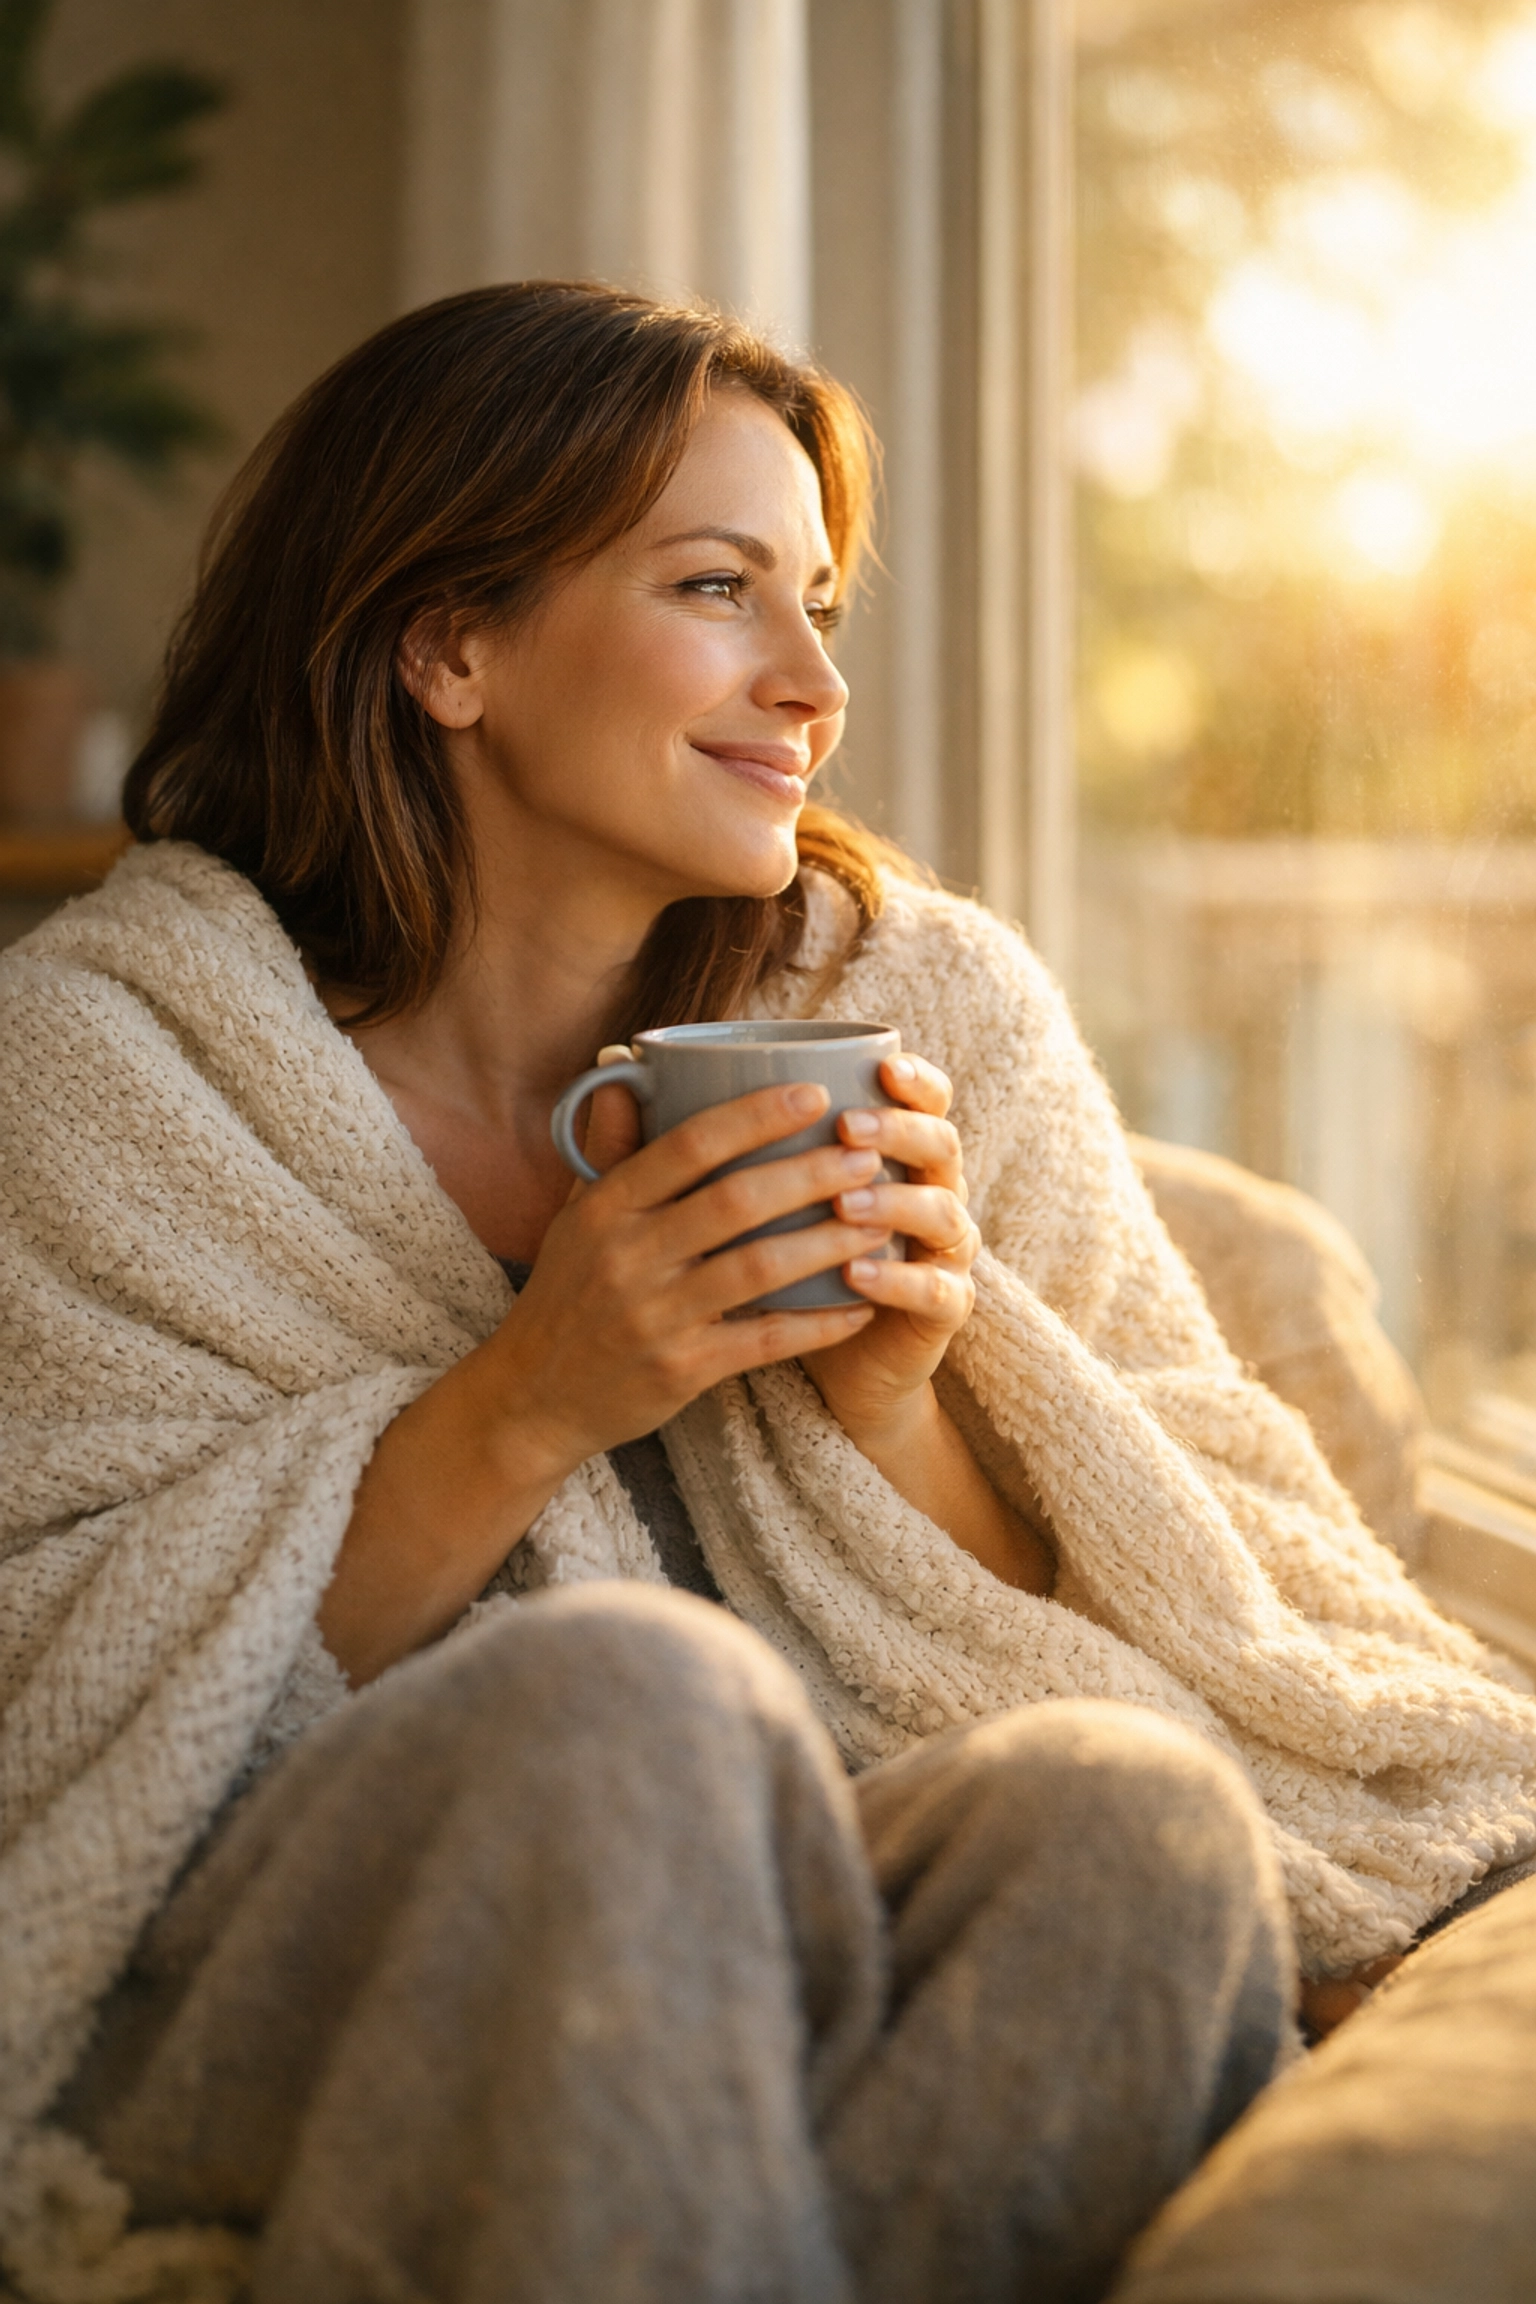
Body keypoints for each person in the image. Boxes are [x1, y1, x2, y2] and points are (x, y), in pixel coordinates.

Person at [1, 282, 1532, 2304]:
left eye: (819, 602)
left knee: (1130, 1820)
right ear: (446, 645)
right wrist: (533, 1396)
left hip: (834, 1906)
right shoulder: (105, 1072)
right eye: (719, 587)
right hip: (270, 1967)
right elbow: (67, 1686)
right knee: (635, 1699)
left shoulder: (928, 1003)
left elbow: (1183, 1569)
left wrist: (898, 1402)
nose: (810, 681)